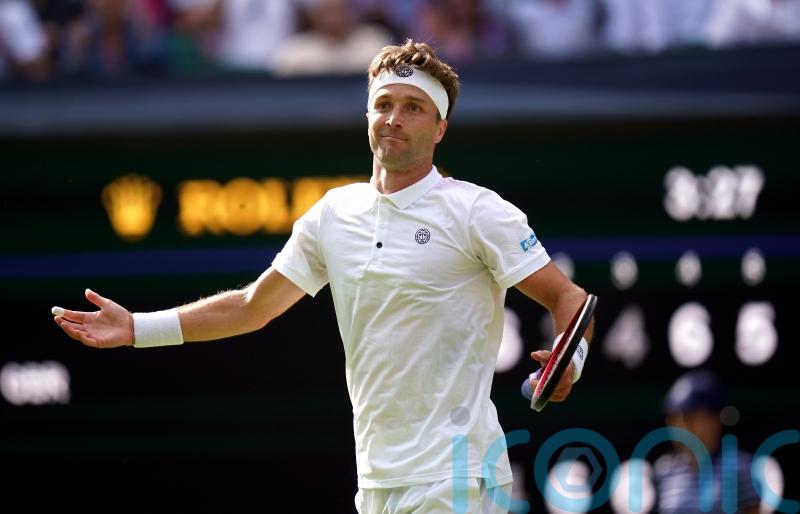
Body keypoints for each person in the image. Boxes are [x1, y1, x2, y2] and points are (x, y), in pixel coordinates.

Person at [52, 39, 593, 514]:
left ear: (440, 128)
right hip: (376, 480)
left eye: (413, 108)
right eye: (383, 104)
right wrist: (137, 328)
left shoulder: (478, 211)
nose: (394, 119)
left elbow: (568, 297)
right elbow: (252, 306)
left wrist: (571, 360)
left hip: (458, 474)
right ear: (367, 115)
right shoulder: (333, 214)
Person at [653, 369, 761, 514]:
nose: (679, 427)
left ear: (714, 420)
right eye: (673, 419)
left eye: (689, 418)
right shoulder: (663, 470)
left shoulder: (743, 467)